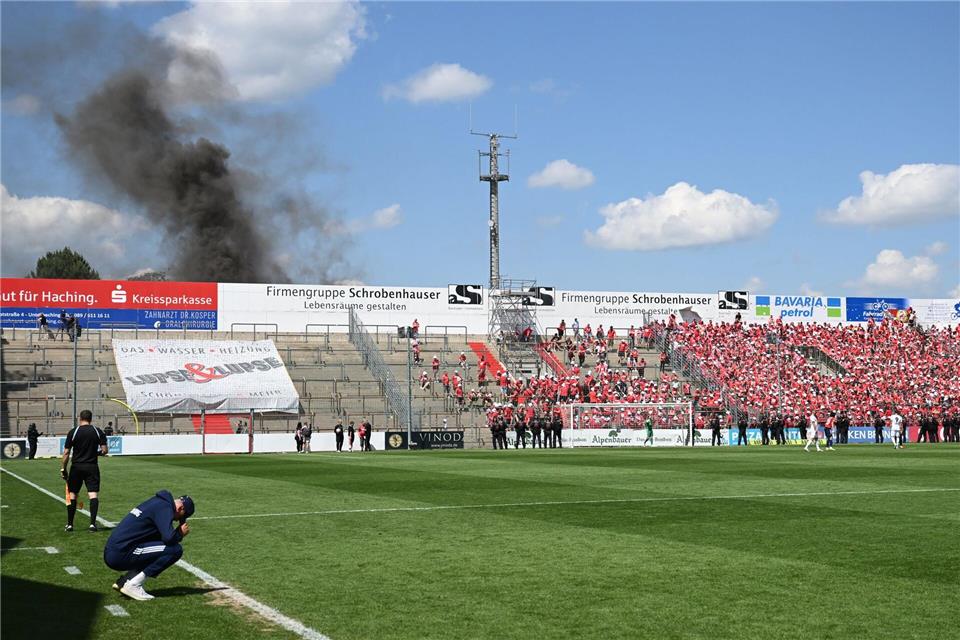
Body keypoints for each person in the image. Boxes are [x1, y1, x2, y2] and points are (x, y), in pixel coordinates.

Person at [103, 490, 194, 601]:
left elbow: (159, 538)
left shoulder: (158, 502)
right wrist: (179, 534)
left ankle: (125, 581)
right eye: (179, 518)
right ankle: (133, 585)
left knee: (157, 548)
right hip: (120, 553)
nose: (175, 520)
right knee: (175, 550)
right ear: (180, 508)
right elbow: (168, 538)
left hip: (114, 550)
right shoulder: (165, 508)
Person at [60, 409, 107, 532]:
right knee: (93, 494)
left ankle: (70, 524)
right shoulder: (97, 431)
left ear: (80, 418)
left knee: (73, 494)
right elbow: (104, 450)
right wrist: (97, 453)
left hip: (76, 467)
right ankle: (92, 524)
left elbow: (66, 452)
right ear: (91, 419)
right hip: (92, 467)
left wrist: (63, 468)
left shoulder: (73, 432)